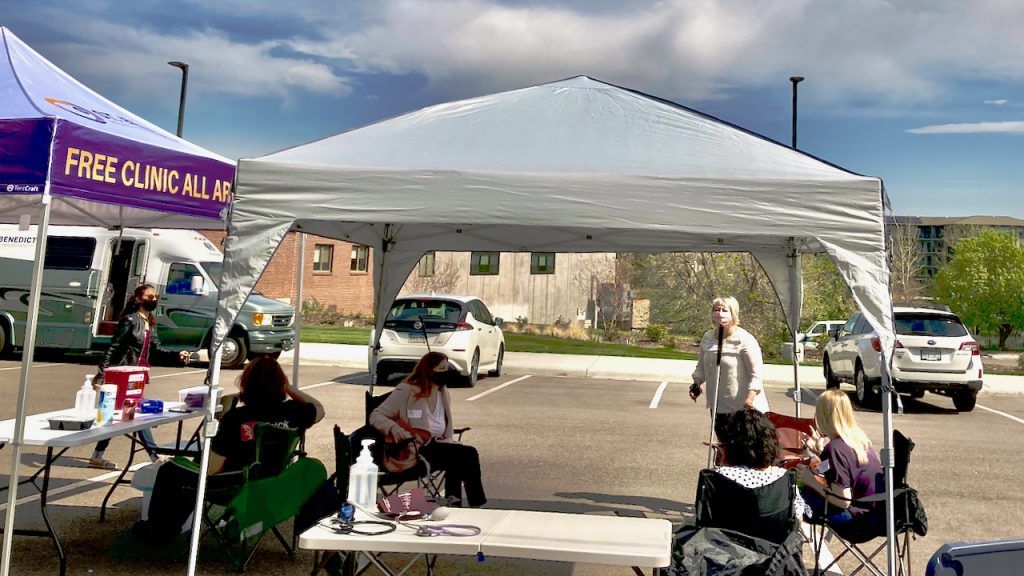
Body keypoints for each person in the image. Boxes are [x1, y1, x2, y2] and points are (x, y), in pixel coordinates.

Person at [134, 356, 325, 543]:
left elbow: (212, 469)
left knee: (172, 470)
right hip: (271, 481)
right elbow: (318, 408)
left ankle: (160, 529)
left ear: (246, 384)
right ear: (280, 385)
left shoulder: (235, 418)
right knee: (184, 471)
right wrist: (287, 387)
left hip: (235, 483)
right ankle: (165, 528)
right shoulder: (294, 412)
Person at [90, 283, 191, 469]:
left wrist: (176, 355)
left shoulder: (150, 323)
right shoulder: (130, 320)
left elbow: (155, 349)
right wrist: (101, 374)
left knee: (120, 414)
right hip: (122, 373)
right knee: (135, 411)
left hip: (136, 375)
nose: (153, 300)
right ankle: (154, 455)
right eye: (149, 297)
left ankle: (97, 455)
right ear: (138, 299)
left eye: (155, 297)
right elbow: (113, 347)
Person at [370, 351, 487, 507]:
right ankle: (472, 504)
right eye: (442, 368)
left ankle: (457, 503)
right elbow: (376, 415)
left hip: (436, 445)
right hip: (413, 448)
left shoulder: (443, 392)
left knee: (461, 457)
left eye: (447, 367)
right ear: (430, 370)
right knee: (465, 454)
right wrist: (394, 428)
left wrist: (448, 438)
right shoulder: (407, 391)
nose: (446, 372)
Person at [795, 389, 882, 530]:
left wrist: (810, 480)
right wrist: (819, 452)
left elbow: (842, 501)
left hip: (854, 520)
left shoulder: (835, 448)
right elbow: (845, 470)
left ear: (824, 416)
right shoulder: (859, 439)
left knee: (793, 499)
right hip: (874, 514)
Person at [690, 296, 768, 442]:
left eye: (724, 310)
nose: (719, 313)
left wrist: (750, 399)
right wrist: (697, 383)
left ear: (733, 313)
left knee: (743, 448)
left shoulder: (744, 339)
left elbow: (756, 374)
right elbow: (701, 367)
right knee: (724, 446)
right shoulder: (708, 338)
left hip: (742, 406)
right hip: (718, 405)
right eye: (716, 310)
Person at [715, 408, 805, 521]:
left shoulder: (723, 475)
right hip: (774, 537)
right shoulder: (785, 478)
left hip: (729, 536)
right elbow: (797, 518)